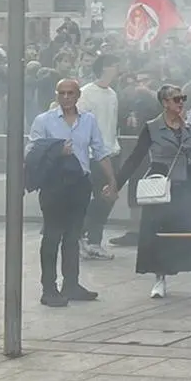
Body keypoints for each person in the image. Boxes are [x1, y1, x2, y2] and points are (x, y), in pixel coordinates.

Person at [108, 84, 191, 299]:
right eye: (176, 99)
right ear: (165, 103)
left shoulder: (188, 128)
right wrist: (116, 184)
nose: (181, 102)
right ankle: (159, 279)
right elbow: (135, 158)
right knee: (158, 233)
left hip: (183, 187)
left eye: (182, 98)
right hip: (160, 187)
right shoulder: (152, 128)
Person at [30, 79, 107, 308]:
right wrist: (57, 150)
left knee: (73, 236)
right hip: (54, 185)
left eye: (70, 93)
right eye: (62, 93)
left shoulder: (88, 120)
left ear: (78, 95)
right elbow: (32, 151)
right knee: (52, 236)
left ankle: (71, 284)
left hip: (79, 184)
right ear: (56, 95)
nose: (66, 97)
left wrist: (111, 181)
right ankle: (49, 288)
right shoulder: (44, 120)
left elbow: (100, 150)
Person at [78, 54, 125, 261]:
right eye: (115, 65)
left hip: (112, 152)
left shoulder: (113, 94)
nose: (117, 69)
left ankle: (88, 237)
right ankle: (88, 238)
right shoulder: (86, 93)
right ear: (105, 68)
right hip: (93, 156)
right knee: (99, 198)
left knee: (108, 198)